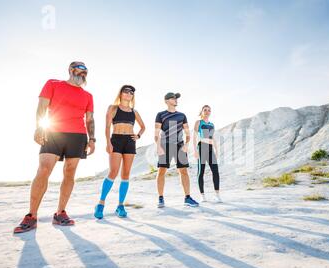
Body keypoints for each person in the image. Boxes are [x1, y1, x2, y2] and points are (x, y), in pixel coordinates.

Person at [13, 61, 95, 233]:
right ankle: (31, 215)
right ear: (70, 70)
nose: (82, 74)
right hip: (53, 131)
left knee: (70, 172)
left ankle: (60, 213)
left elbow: (89, 119)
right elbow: (42, 107)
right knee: (43, 170)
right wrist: (39, 127)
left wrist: (92, 139)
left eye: (85, 72)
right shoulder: (53, 84)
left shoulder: (88, 95)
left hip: (78, 135)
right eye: (79, 70)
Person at [94, 85, 145, 219]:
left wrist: (138, 136)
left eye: (131, 92)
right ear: (121, 94)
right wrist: (108, 142)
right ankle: (101, 203)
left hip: (130, 142)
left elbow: (143, 127)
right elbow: (106, 127)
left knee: (126, 174)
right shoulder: (113, 108)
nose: (129, 94)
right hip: (116, 140)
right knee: (113, 172)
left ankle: (120, 205)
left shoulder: (134, 112)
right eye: (126, 91)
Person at [154, 92, 199, 208]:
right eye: (173, 98)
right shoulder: (161, 115)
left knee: (183, 171)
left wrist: (186, 144)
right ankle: (160, 198)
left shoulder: (182, 115)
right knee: (162, 171)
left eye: (176, 98)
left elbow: (187, 133)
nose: (176, 100)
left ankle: (187, 198)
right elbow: (156, 133)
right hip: (165, 145)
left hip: (180, 145)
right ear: (167, 101)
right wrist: (158, 146)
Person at [193, 105, 222, 203]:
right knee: (201, 172)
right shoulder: (198, 122)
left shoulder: (211, 124)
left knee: (215, 171)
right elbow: (194, 137)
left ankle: (217, 195)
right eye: (205, 110)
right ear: (201, 112)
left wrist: (217, 150)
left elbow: (213, 138)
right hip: (201, 147)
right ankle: (202, 195)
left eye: (209, 110)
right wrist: (195, 150)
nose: (207, 111)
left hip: (210, 149)